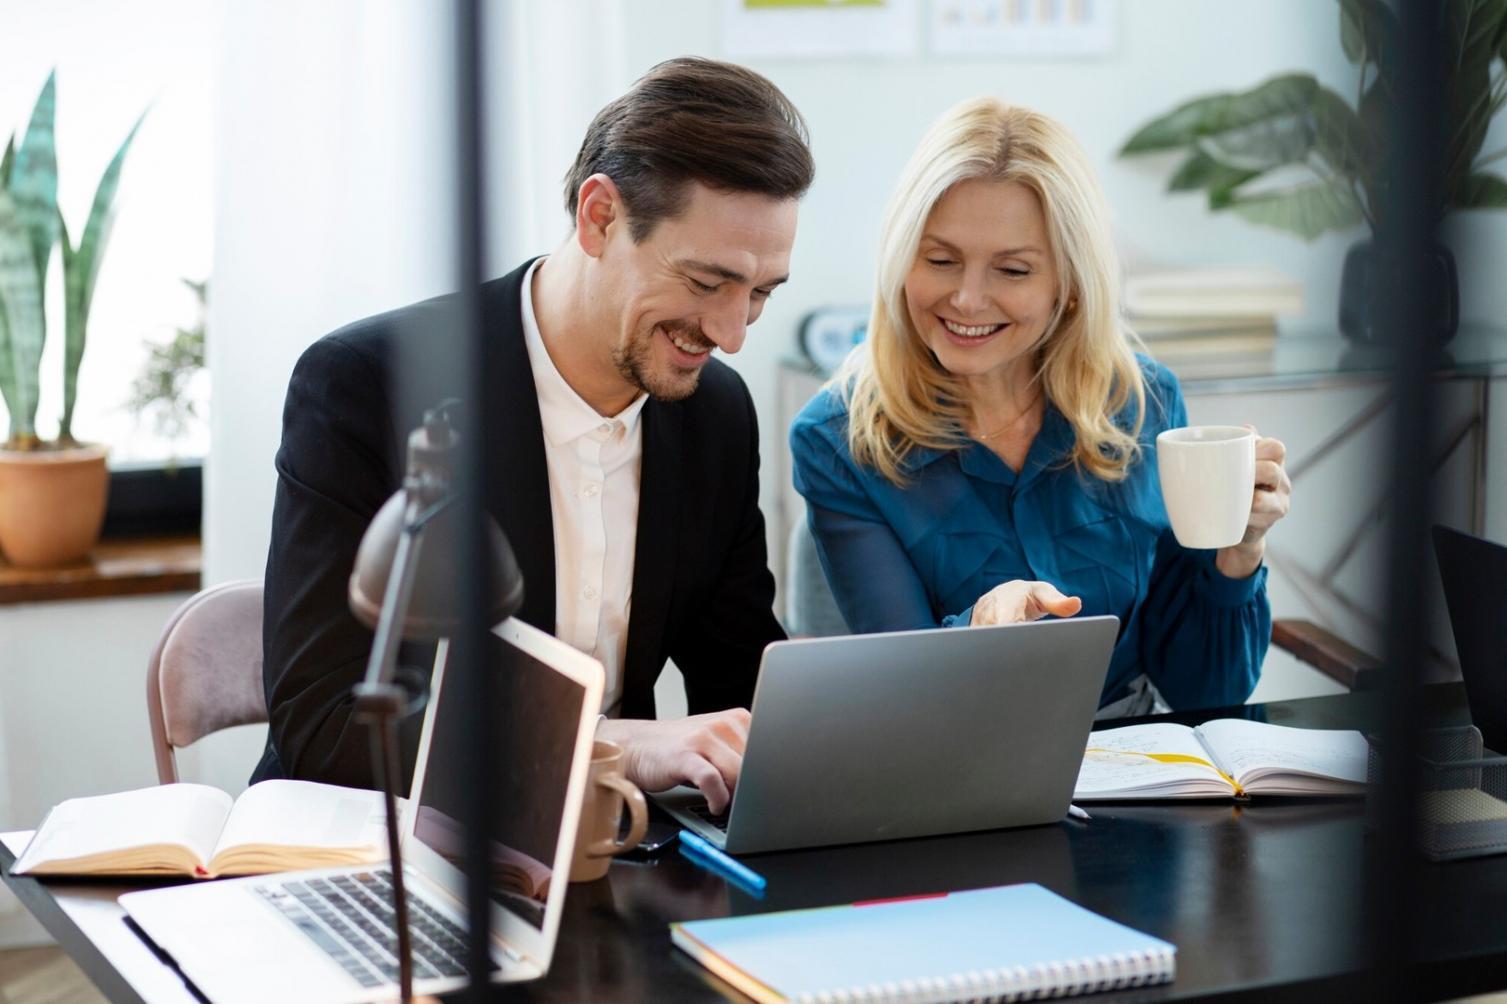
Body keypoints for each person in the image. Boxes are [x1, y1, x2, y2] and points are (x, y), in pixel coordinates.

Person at [254, 57, 815, 812]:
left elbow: (741, 680)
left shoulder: (714, 412)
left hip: (606, 852)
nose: (729, 332)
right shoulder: (365, 386)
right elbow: (325, 726)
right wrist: (619, 745)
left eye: (759, 294)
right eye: (706, 283)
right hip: (382, 848)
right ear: (599, 217)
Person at [789, 98, 1291, 715]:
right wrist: (979, 627)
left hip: (1135, 764)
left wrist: (1238, 554)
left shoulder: (1143, 402)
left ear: (1071, 286)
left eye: (1013, 270)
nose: (968, 299)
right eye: (940, 261)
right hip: (960, 769)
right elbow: (907, 697)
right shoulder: (838, 439)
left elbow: (1206, 693)